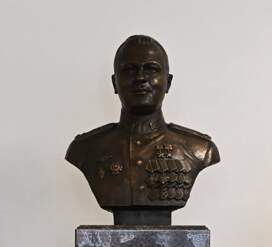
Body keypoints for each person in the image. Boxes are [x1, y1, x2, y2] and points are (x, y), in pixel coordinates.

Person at [65, 34, 220, 225]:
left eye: (151, 69)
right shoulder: (86, 149)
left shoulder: (199, 150)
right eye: (129, 70)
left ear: (168, 82)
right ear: (114, 83)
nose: (140, 77)